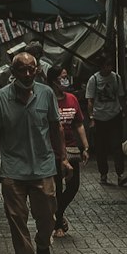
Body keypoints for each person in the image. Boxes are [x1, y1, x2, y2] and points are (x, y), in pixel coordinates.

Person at [0, 50, 70, 254]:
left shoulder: (46, 94)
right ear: (12, 73)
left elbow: (56, 128)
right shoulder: (1, 98)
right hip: (13, 169)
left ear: (37, 70)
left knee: (47, 216)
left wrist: (62, 158)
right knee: (16, 218)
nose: (27, 73)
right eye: (21, 69)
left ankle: (43, 243)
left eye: (31, 69)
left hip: (43, 167)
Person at [46, 63, 89, 237]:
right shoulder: (46, 100)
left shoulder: (72, 98)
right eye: (62, 77)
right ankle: (57, 225)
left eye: (66, 76)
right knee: (56, 186)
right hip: (52, 149)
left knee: (73, 186)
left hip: (71, 149)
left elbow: (78, 123)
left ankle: (56, 213)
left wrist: (85, 146)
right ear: (53, 81)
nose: (65, 80)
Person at [86, 51, 127, 186]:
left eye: (110, 65)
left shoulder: (116, 78)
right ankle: (103, 173)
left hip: (114, 115)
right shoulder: (94, 80)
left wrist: (124, 112)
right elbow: (90, 101)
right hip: (99, 117)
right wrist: (91, 118)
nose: (108, 68)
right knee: (101, 148)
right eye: (106, 65)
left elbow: (121, 96)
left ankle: (120, 174)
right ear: (101, 66)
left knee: (117, 146)